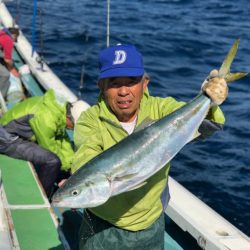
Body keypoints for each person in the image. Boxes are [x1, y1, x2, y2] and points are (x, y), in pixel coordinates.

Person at [71, 44, 228, 249]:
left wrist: (211, 102)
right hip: (104, 227)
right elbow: (86, 159)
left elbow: (208, 127)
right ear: (101, 86)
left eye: (132, 82)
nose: (124, 91)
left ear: (145, 83)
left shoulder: (161, 109)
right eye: (115, 83)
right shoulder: (90, 120)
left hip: (151, 224)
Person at [0, 89, 86, 197]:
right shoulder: (47, 118)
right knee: (52, 161)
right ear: (69, 118)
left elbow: (63, 142)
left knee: (59, 163)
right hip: (7, 139)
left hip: (21, 134)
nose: (73, 129)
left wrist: (71, 167)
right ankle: (43, 196)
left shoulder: (58, 111)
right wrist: (63, 171)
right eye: (74, 126)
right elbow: (49, 147)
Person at [0, 27, 20, 98]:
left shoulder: (2, 32)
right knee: (5, 75)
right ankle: (1, 99)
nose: (14, 41)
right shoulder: (8, 40)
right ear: (14, 35)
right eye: (15, 39)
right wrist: (11, 69)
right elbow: (7, 60)